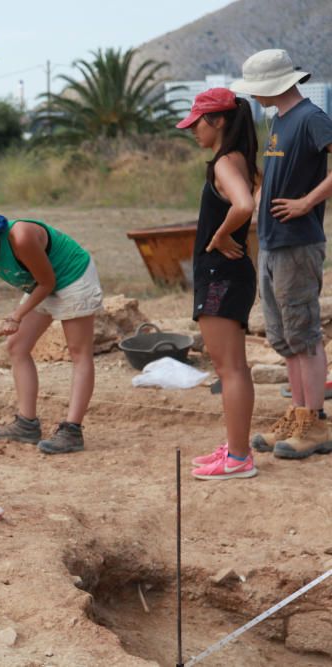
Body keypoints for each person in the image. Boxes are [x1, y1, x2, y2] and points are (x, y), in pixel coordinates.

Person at [230, 49, 332, 459]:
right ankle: (298, 413)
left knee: (304, 334)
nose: (254, 96)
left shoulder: (311, 118)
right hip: (273, 242)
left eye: (258, 89)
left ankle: (316, 423)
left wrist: (307, 202)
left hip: (297, 242)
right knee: (286, 337)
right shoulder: (278, 120)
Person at [0, 212, 102, 454]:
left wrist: (17, 315)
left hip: (71, 277)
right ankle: (27, 425)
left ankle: (72, 431)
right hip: (40, 283)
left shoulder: (21, 237)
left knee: (78, 352)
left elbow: (48, 282)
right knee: (17, 347)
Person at [177, 88, 260, 480]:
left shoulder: (226, 162)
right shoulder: (241, 159)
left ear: (219, 120)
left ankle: (240, 458)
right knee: (233, 368)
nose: (193, 130)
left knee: (230, 370)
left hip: (220, 277)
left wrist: (223, 236)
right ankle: (236, 446)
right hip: (230, 276)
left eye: (197, 122)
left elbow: (245, 205)